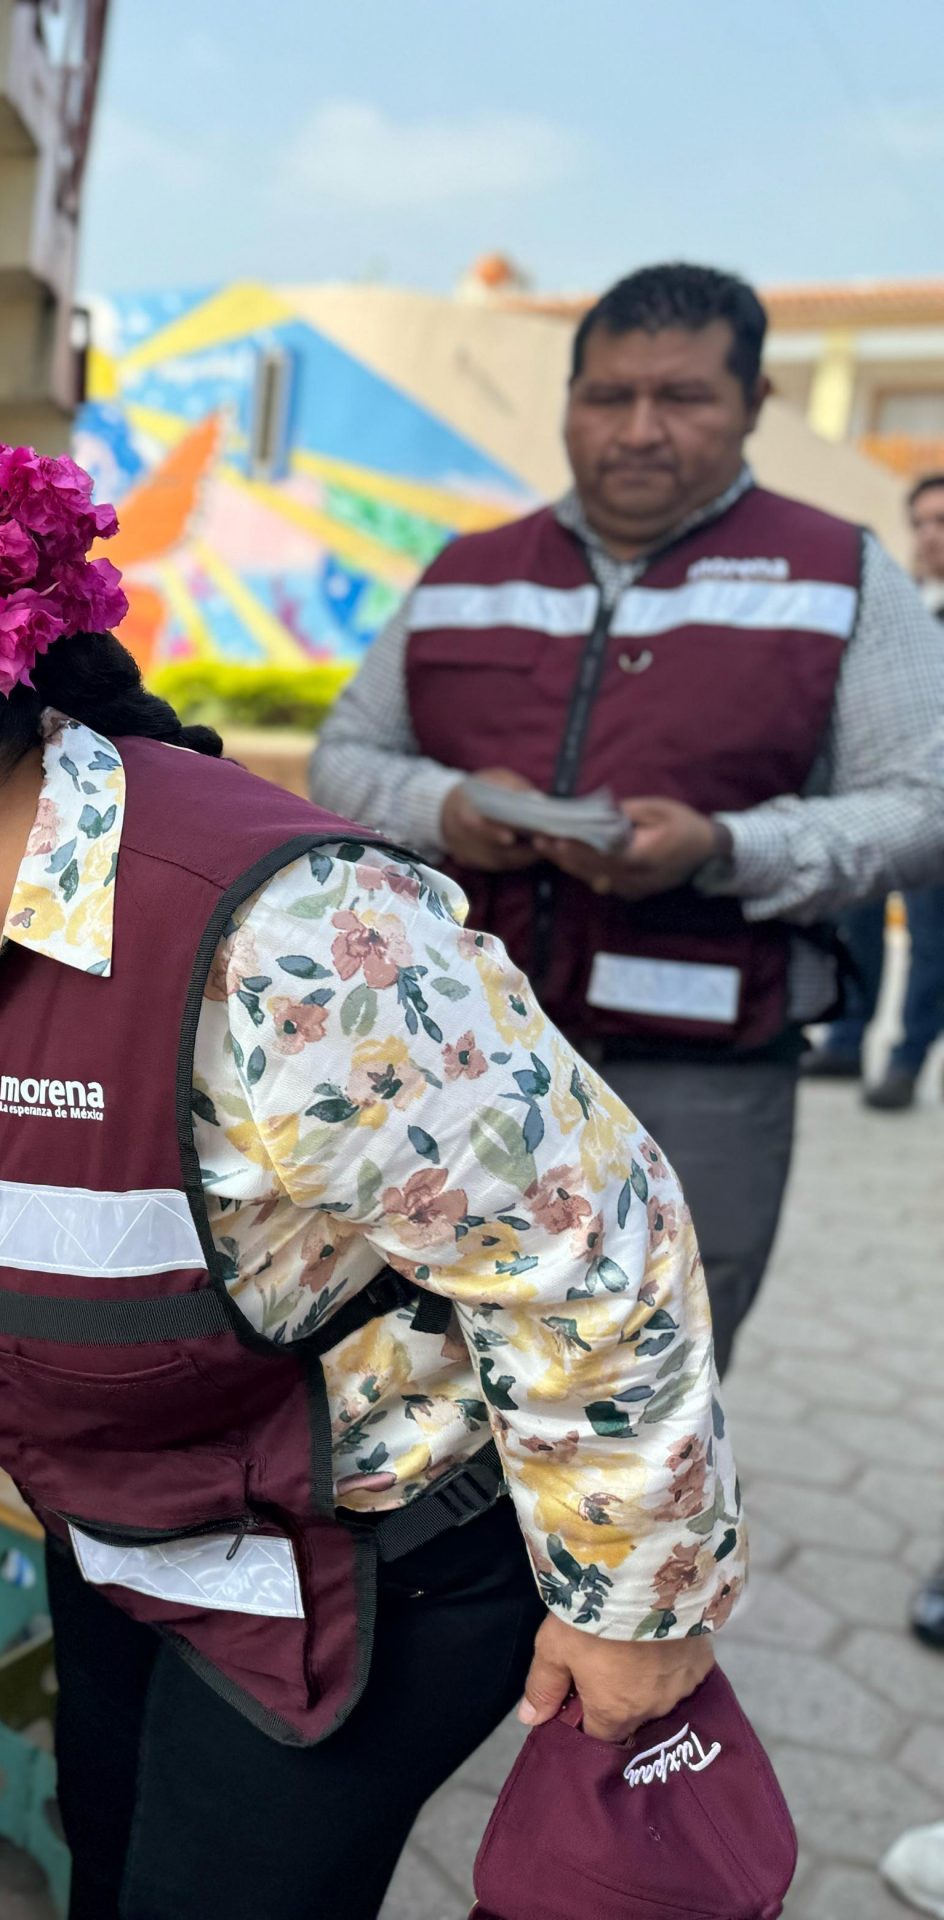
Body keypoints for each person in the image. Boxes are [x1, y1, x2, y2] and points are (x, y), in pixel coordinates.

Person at [0, 416, 742, 1920]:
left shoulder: (289, 943)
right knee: (110, 1847)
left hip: (363, 1570)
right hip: (132, 1530)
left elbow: (592, 1249)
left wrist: (638, 1605)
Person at [312, 263, 944, 1372]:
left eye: (683, 398)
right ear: (569, 401)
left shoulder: (838, 572)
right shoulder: (467, 570)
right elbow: (346, 757)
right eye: (607, 396)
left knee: (651, 1361)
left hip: (700, 1064)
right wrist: (446, 807)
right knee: (422, 1355)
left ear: (752, 406)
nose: (639, 430)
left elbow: (922, 801)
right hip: (461, 1046)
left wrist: (726, 850)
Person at [808, 471, 944, 1110]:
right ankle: (845, 1040)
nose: (928, 536)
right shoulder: (900, 601)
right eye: (920, 522)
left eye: (941, 522)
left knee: (931, 936)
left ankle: (906, 1061)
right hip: (872, 793)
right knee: (854, 916)